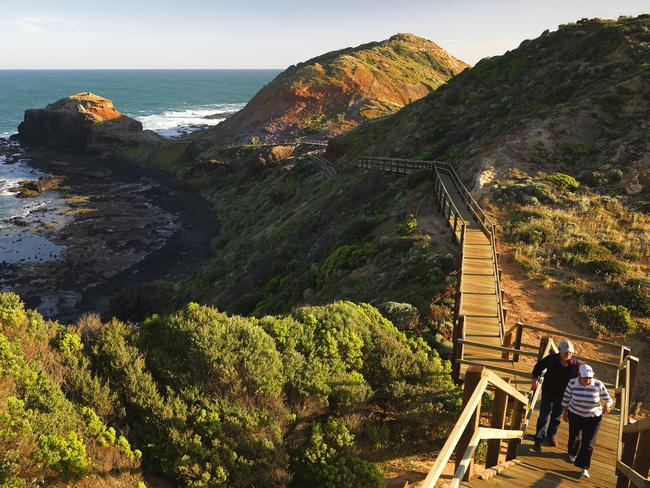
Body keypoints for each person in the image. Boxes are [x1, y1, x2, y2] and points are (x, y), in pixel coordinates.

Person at [561, 364, 613, 479]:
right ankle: (572, 453)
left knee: (588, 444)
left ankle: (584, 467)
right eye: (585, 378)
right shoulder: (572, 383)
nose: (588, 380)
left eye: (590, 377)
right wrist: (564, 413)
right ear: (579, 375)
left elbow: (609, 399)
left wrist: (607, 405)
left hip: (594, 418)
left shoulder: (598, 384)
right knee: (575, 437)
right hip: (575, 414)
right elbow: (566, 399)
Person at [530, 339, 580, 452]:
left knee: (557, 417)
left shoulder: (575, 365)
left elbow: (579, 380)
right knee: (544, 415)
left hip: (564, 395)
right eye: (566, 352)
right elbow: (538, 367)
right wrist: (535, 379)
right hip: (548, 391)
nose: (568, 354)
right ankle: (538, 439)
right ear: (559, 351)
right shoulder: (551, 359)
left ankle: (551, 435)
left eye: (570, 353)